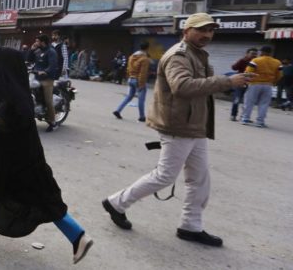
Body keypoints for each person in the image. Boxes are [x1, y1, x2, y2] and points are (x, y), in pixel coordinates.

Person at [102, 13, 250, 247]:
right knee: (165, 176)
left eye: (211, 30)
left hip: (195, 126)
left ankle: (190, 226)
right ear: (186, 31)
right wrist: (227, 82)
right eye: (201, 30)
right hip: (178, 125)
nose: (207, 35)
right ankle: (116, 203)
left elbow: (201, 87)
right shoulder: (179, 55)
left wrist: (228, 80)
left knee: (199, 179)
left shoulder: (198, 54)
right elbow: (182, 87)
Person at [0, 47, 93, 265]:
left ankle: (78, 235)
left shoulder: (8, 94)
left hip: (9, 157)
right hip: (25, 155)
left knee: (22, 191)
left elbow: (2, 115)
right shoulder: (19, 91)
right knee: (1, 187)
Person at [241, 45, 283, 128]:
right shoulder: (277, 62)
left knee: (249, 101)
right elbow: (280, 75)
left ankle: (245, 118)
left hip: (254, 84)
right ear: (271, 53)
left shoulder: (255, 60)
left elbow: (248, 72)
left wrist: (246, 81)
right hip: (268, 85)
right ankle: (260, 122)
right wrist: (274, 82)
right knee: (264, 104)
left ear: (262, 52)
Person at [113, 42, 151, 122]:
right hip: (138, 80)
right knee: (141, 99)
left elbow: (128, 68)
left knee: (129, 96)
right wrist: (141, 84)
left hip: (131, 79)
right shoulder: (145, 59)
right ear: (147, 48)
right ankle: (142, 116)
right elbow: (143, 73)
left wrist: (129, 77)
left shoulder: (132, 57)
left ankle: (118, 110)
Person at [31, 34, 58, 132]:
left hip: (47, 79)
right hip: (36, 77)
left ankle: (53, 123)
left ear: (43, 42)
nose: (35, 43)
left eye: (37, 41)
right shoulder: (38, 51)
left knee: (48, 101)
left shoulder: (51, 52)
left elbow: (53, 65)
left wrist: (45, 71)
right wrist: (31, 50)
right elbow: (28, 59)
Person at [229, 48, 258, 121]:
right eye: (252, 53)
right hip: (240, 83)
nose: (254, 55)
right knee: (237, 99)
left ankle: (244, 117)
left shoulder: (257, 62)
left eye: (255, 54)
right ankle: (233, 115)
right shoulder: (243, 60)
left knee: (248, 101)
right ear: (247, 54)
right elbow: (234, 68)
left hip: (251, 83)